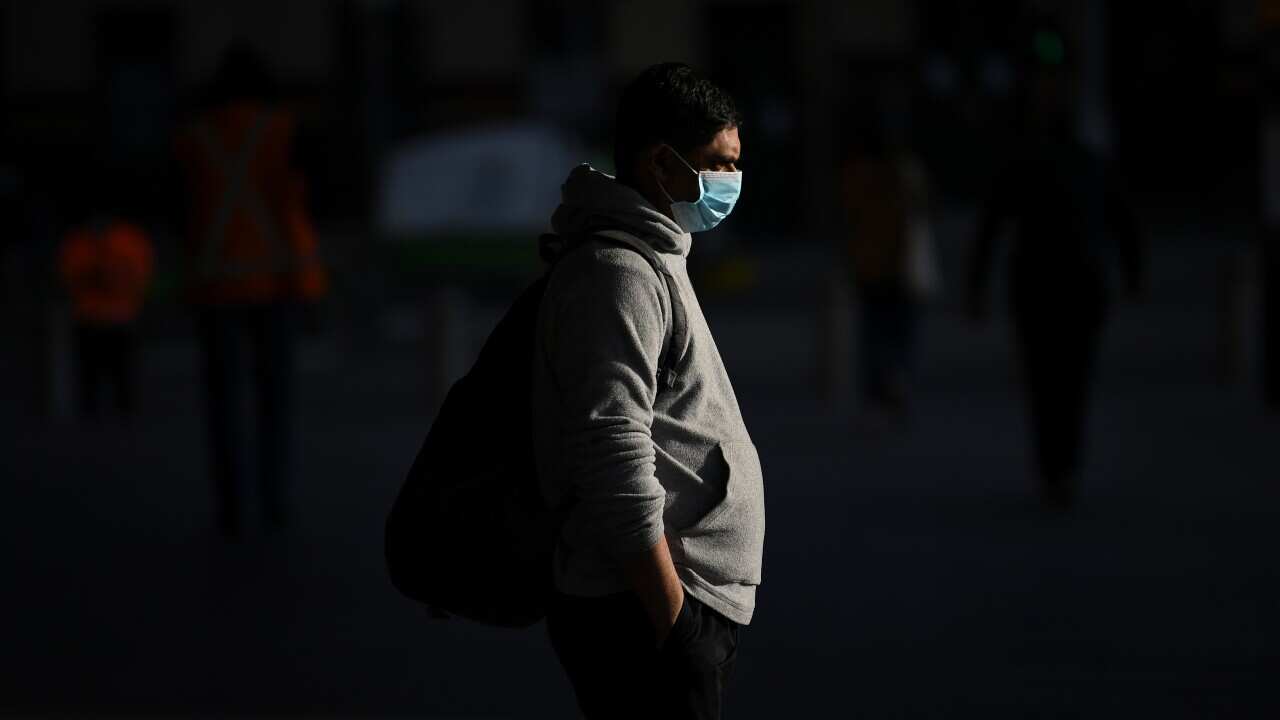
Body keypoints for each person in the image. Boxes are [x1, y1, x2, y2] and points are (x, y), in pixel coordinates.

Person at [533, 63, 764, 719]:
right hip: (637, 612)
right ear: (662, 164)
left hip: (663, 607)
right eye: (718, 164)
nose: (731, 182)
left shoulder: (656, 251)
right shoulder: (618, 273)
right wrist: (673, 619)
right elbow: (611, 448)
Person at [968, 26, 1142, 509]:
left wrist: (977, 289)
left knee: (1045, 382)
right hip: (1082, 284)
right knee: (1073, 380)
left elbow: (992, 228)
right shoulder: (1090, 163)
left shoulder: (1026, 162)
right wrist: (1133, 275)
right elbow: (1124, 222)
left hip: (1038, 286)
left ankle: (1053, 469)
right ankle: (1064, 466)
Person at [174, 43, 326, 536]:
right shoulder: (280, 131)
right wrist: (307, 284)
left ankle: (230, 505)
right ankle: (273, 500)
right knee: (273, 400)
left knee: (222, 402)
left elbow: (185, 213)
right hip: (273, 283)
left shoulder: (194, 137)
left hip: (214, 284)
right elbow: (293, 210)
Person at [840, 115, 934, 417]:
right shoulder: (904, 173)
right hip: (899, 264)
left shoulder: (857, 175)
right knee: (899, 330)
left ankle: (880, 393)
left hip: (869, 265)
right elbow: (922, 212)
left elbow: (847, 220)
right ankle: (897, 384)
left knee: (874, 330)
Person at [57, 214, 153, 421]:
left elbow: (140, 274)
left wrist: (113, 280)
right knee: (90, 377)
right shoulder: (79, 242)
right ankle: (92, 418)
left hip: (120, 317)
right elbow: (68, 276)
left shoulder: (127, 240)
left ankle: (125, 417)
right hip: (89, 318)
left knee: (123, 375)